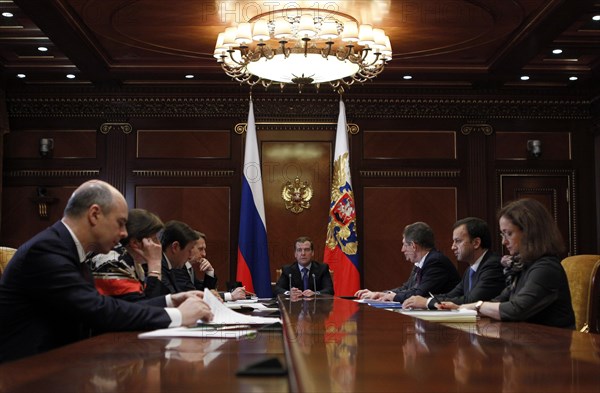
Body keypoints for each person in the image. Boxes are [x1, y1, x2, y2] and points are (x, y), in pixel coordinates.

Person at [0, 180, 213, 363]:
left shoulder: (67, 247)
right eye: (120, 223)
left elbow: (106, 306)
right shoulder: (47, 250)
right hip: (29, 373)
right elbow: (97, 311)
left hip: (63, 363)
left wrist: (169, 301)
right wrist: (178, 315)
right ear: (94, 214)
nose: (123, 233)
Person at [456, 198, 575, 329]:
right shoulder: (523, 265)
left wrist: (476, 306)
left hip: (552, 345)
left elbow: (516, 309)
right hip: (528, 341)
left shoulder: (546, 268)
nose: (504, 242)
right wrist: (461, 308)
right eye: (502, 235)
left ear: (530, 233)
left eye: (509, 234)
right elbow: (501, 300)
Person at [402, 217, 505, 309]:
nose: (453, 247)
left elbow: (472, 301)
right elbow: (451, 295)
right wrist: (422, 300)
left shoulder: (493, 266)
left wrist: (427, 302)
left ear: (476, 243)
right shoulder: (471, 269)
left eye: (458, 241)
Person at [354, 222, 460, 303]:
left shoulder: (435, 262)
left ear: (413, 246)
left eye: (404, 245)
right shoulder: (422, 262)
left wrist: (392, 296)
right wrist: (381, 294)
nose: (402, 250)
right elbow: (407, 288)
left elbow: (420, 293)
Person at [88, 208, 170, 301]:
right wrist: (155, 264)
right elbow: (145, 309)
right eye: (154, 239)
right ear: (135, 243)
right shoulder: (114, 263)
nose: (159, 245)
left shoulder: (131, 259)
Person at [177, 231, 246, 301]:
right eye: (200, 249)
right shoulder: (178, 268)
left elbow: (205, 291)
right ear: (189, 248)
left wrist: (209, 271)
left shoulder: (189, 268)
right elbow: (194, 295)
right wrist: (230, 296)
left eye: (204, 249)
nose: (204, 254)